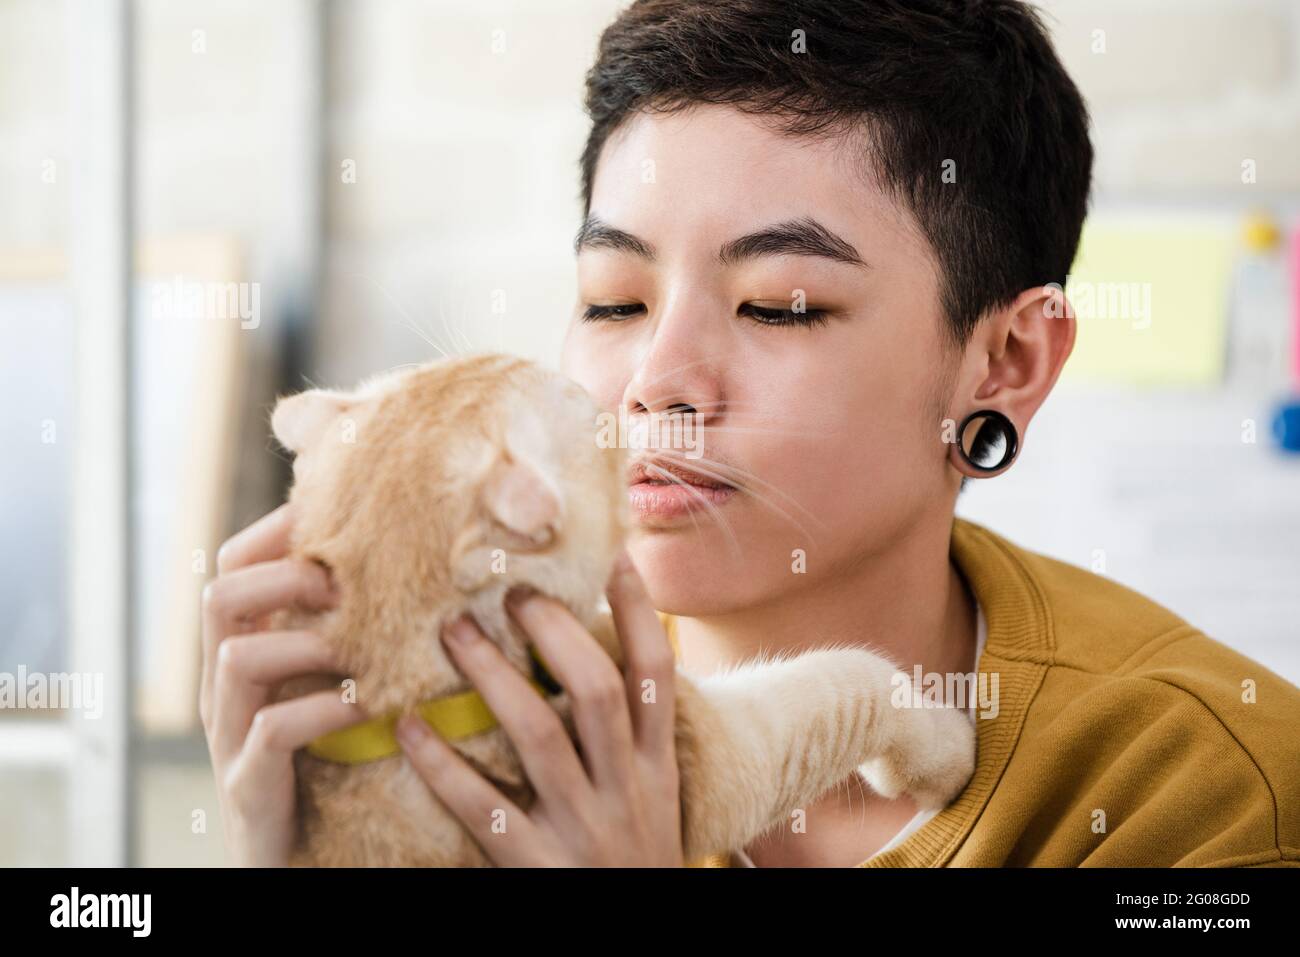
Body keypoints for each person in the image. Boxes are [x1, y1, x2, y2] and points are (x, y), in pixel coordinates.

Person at [200, 0, 1300, 867]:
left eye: (781, 306)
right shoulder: (481, 698)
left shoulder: (1208, 792)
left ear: (1002, 365)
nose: (654, 385)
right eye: (613, 301)